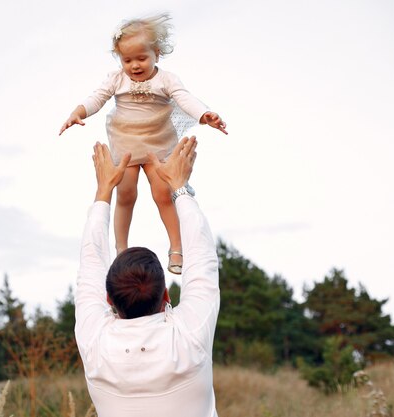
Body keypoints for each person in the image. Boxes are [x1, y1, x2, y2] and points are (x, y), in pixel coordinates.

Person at [60, 13, 226, 275]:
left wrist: (205, 114)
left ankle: (176, 247)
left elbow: (185, 99)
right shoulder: (116, 79)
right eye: (127, 60)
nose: (135, 65)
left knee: (163, 193)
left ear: (156, 54)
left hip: (157, 144)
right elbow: (97, 97)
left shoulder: (166, 79)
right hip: (125, 143)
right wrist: (78, 111)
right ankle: (121, 249)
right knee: (125, 194)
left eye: (142, 58)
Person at [76, 136, 220, 417]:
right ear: (166, 295)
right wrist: (179, 187)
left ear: (109, 298)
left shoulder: (95, 342)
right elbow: (203, 257)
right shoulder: (189, 335)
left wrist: (105, 190)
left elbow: (90, 263)